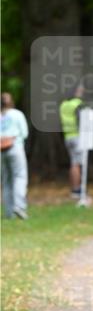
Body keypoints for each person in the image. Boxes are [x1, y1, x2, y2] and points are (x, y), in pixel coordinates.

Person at [1, 92, 29, 220]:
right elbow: (24, 133)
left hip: (1, 150)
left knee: (7, 180)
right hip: (15, 147)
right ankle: (19, 206)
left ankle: (9, 212)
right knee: (19, 176)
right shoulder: (17, 114)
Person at [59, 81, 85, 199]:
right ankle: (78, 189)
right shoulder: (78, 104)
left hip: (67, 136)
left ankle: (74, 188)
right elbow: (82, 121)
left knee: (73, 163)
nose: (82, 91)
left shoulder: (64, 104)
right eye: (80, 90)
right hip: (77, 137)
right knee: (78, 164)